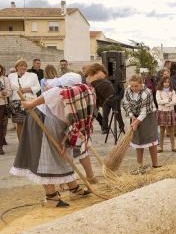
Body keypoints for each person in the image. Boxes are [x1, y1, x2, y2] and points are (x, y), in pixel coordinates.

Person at [10, 63, 113, 208]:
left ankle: (74, 189)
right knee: (47, 157)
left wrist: (72, 138)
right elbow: (54, 92)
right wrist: (31, 104)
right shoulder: (82, 90)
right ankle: (51, 197)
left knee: (64, 155)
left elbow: (79, 122)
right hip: (43, 118)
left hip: (58, 122)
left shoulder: (91, 96)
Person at [122, 75, 160, 169]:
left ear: (141, 84)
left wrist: (136, 122)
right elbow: (125, 104)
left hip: (148, 116)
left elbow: (144, 111)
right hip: (134, 115)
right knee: (138, 141)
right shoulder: (128, 90)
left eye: (136, 86)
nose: (134, 88)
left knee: (151, 140)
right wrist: (132, 116)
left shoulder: (147, 92)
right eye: (132, 86)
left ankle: (155, 163)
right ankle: (139, 164)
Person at [8, 59, 41, 140]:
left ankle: (30, 142)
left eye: (25, 66)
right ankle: (21, 143)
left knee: (31, 123)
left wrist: (27, 89)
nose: (23, 67)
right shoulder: (11, 76)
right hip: (16, 102)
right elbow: (10, 89)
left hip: (30, 101)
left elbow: (38, 87)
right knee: (19, 124)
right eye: (21, 65)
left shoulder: (32, 75)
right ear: (17, 67)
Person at [156, 76, 176, 153]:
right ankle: (161, 147)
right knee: (162, 130)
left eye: (168, 82)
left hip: (170, 111)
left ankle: (173, 147)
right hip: (162, 111)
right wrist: (168, 100)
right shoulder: (158, 91)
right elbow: (159, 101)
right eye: (165, 82)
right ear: (162, 83)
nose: (166, 84)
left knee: (171, 131)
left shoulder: (173, 91)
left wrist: (166, 103)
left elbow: (174, 102)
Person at [0, 65, 12, 154]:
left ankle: (0, 146)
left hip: (2, 105)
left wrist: (5, 93)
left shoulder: (5, 79)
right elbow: (3, 93)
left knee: (1, 126)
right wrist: (1, 94)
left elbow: (9, 91)